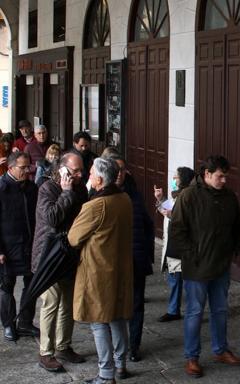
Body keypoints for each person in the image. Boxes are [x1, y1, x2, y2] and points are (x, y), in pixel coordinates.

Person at [169, 155, 240, 378]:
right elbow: (177, 230)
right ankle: (192, 357)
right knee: (194, 312)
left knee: (220, 310)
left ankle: (220, 350)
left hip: (221, 264)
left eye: (226, 176)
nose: (224, 180)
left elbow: (238, 225)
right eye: (220, 176)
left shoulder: (229, 196)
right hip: (196, 267)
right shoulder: (189, 196)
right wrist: (193, 254)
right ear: (207, 174)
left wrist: (235, 247)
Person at [68, 157, 133, 384]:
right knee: (117, 318)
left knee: (98, 322)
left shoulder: (96, 205)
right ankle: (120, 364)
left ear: (100, 178)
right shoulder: (124, 198)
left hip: (98, 272)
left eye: (91, 173)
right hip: (120, 268)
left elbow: (73, 237)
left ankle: (106, 374)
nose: (88, 176)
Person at [31, 153, 88, 372]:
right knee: (51, 303)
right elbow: (52, 218)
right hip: (49, 256)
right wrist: (66, 192)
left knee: (67, 303)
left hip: (69, 254)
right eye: (75, 171)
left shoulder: (80, 188)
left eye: (81, 170)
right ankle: (46, 352)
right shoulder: (47, 189)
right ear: (62, 170)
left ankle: (64, 345)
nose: (79, 175)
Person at [107, 153, 154, 363]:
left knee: (136, 305)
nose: (119, 174)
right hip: (112, 262)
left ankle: (133, 346)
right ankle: (115, 347)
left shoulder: (134, 193)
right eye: (115, 170)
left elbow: (147, 224)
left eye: (122, 169)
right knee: (112, 306)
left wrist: (147, 255)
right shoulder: (100, 194)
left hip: (135, 258)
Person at [0, 152, 39, 342]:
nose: (27, 171)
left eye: (28, 167)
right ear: (11, 168)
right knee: (6, 286)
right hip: (7, 246)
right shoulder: (2, 188)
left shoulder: (32, 187)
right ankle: (9, 324)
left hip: (29, 244)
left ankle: (25, 322)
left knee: (31, 284)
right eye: (22, 168)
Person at [154, 166, 195, 322]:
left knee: (185, 280)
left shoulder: (187, 197)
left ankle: (186, 310)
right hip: (173, 244)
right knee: (174, 278)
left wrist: (170, 213)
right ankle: (173, 309)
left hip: (181, 245)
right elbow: (169, 209)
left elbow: (177, 215)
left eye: (176, 178)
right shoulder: (176, 196)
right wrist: (160, 199)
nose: (173, 180)